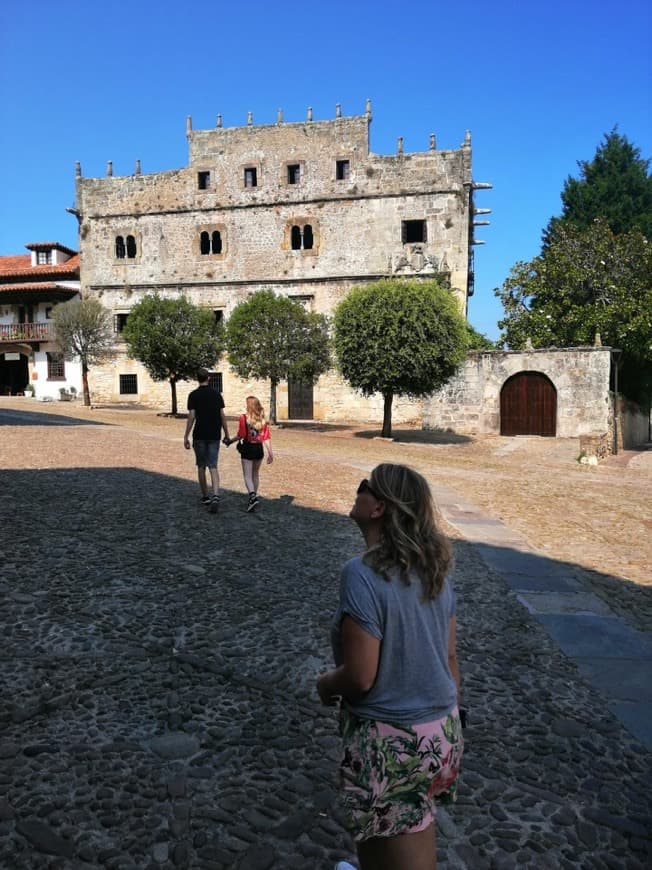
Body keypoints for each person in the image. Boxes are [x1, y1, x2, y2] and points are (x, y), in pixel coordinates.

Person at [317, 464, 463, 870]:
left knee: (409, 844)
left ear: (379, 507)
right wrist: (452, 721)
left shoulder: (360, 575)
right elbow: (449, 657)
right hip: (441, 727)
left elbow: (361, 676)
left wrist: (327, 685)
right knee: (385, 825)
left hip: (392, 740)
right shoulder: (435, 571)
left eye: (364, 486)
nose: (357, 491)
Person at [183, 368, 231, 513]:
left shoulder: (193, 395)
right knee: (213, 466)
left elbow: (191, 416)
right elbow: (222, 416)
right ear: (209, 378)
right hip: (214, 434)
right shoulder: (217, 395)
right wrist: (227, 434)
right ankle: (216, 495)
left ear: (196, 379)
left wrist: (186, 435)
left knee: (201, 466)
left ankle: (205, 496)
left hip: (199, 434)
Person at [228, 395, 273, 512]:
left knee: (247, 475)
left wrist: (230, 441)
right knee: (255, 474)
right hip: (259, 449)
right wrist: (270, 452)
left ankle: (252, 496)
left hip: (248, 448)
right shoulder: (262, 419)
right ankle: (254, 497)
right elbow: (266, 437)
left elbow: (241, 434)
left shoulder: (243, 418)